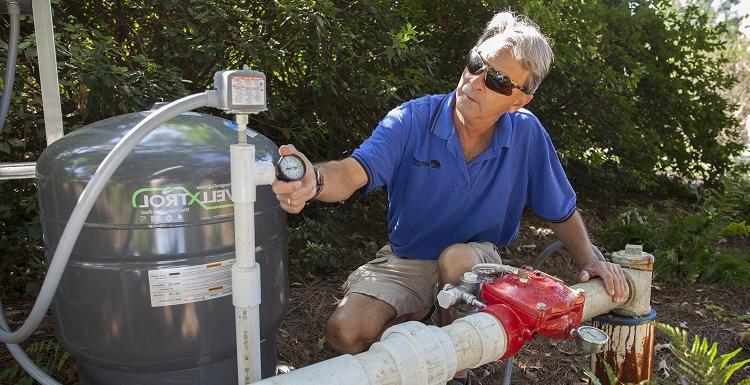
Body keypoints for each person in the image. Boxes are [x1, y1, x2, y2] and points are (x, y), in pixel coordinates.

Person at [272, 11, 629, 385]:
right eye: (477, 63)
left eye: (498, 80)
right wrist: (313, 178)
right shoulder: (412, 119)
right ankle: (428, 324)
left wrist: (592, 261)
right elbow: (353, 171)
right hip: (406, 259)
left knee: (456, 258)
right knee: (345, 331)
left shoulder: (527, 135)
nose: (476, 81)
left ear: (519, 101)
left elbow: (561, 210)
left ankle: (455, 374)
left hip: (474, 261)